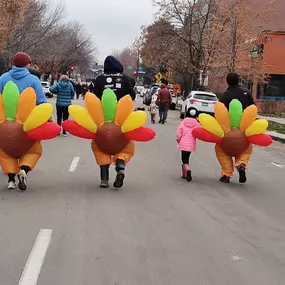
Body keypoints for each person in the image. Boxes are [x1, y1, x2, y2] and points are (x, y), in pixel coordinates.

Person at [217, 73, 255, 183]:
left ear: (227, 81)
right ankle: (241, 163)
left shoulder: (226, 94)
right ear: (238, 80)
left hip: (228, 130)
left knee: (222, 150)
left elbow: (220, 111)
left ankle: (226, 174)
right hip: (243, 129)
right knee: (244, 149)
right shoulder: (247, 92)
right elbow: (252, 108)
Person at [176, 109, 200, 181]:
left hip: (183, 143)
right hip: (191, 144)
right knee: (187, 157)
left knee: (184, 159)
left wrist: (178, 140)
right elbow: (199, 132)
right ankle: (186, 173)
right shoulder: (197, 124)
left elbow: (179, 133)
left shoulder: (183, 122)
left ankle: (187, 171)